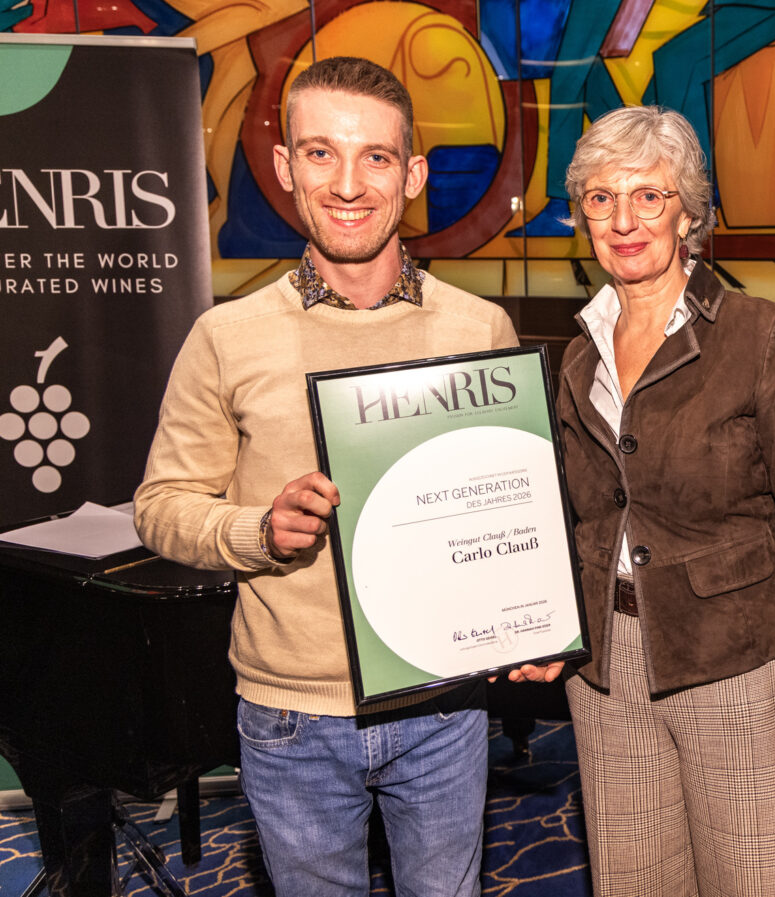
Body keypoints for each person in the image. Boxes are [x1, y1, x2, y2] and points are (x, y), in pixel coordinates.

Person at [134, 56, 557, 897]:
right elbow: (160, 506)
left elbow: (513, 508)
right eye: (321, 153)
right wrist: (257, 529)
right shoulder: (226, 336)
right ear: (285, 167)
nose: (350, 183)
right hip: (293, 712)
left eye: (376, 157)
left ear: (412, 176)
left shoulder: (479, 328)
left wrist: (532, 620)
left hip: (444, 705)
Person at [554, 104, 775, 897]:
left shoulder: (761, 336)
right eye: (601, 198)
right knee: (634, 883)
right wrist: (550, 626)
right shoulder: (578, 355)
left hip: (737, 667)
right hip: (607, 673)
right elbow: (582, 521)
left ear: (687, 212)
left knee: (760, 882)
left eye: (648, 196)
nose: (624, 220)